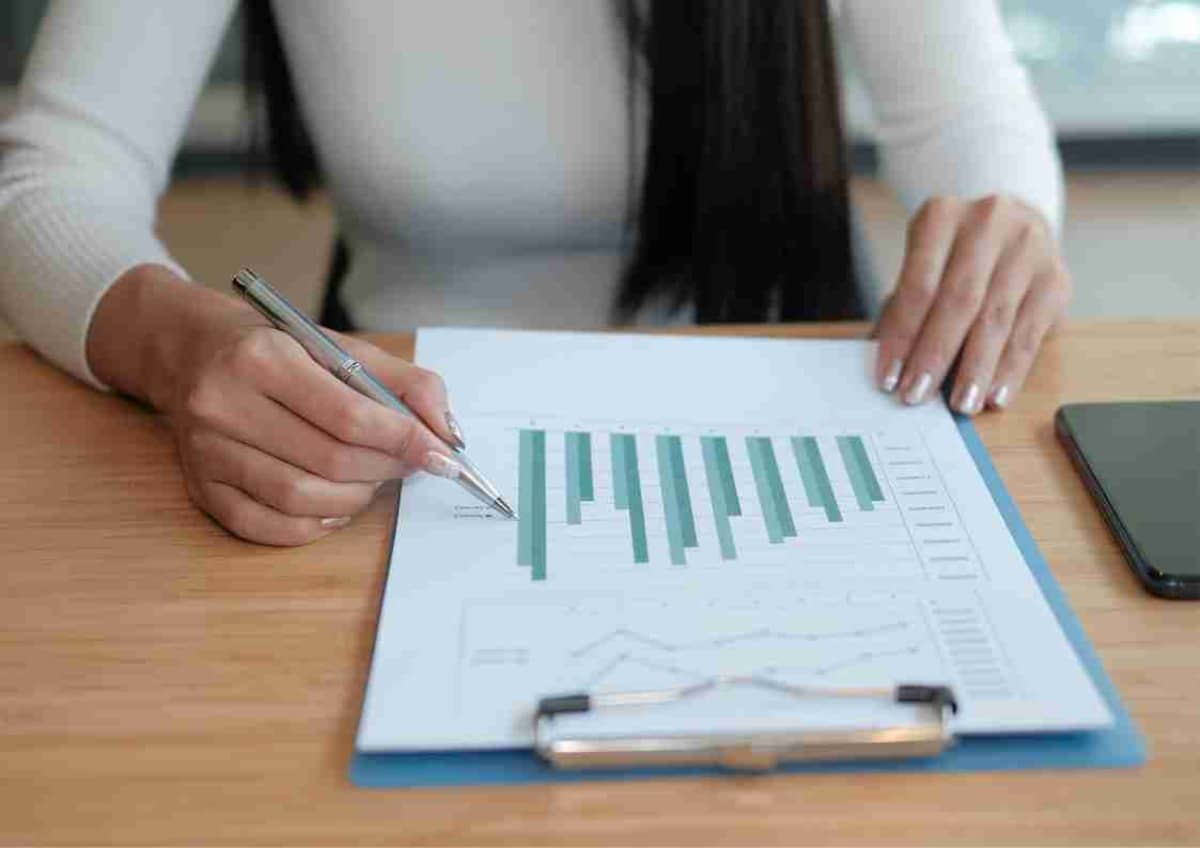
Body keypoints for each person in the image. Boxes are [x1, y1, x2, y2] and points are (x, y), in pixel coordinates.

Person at [0, 1, 1072, 546]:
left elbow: (974, 122)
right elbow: (49, 175)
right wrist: (182, 343)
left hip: (802, 393)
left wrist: (1007, 224)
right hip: (378, 453)